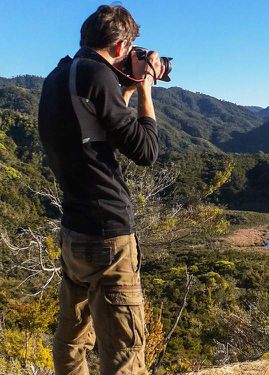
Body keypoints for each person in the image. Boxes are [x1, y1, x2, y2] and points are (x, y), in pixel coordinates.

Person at [37, 4, 164, 374]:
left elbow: (95, 129)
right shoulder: (95, 75)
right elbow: (145, 151)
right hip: (108, 235)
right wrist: (146, 91)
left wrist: (121, 87)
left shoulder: (59, 77)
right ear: (123, 46)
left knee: (72, 340)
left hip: (74, 230)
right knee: (124, 349)